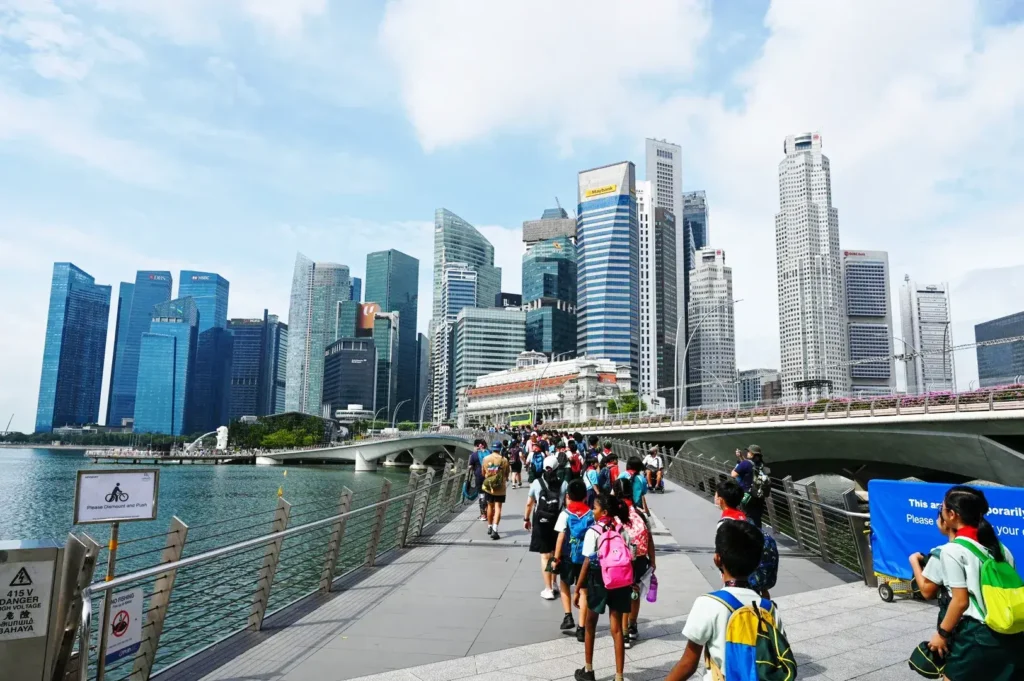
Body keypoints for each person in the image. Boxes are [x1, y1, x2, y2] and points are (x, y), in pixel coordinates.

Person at [921, 485, 1023, 680]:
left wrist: (941, 635)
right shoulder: (1000, 548)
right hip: (1012, 633)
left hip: (976, 636)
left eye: (942, 508)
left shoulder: (952, 550)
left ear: (952, 514)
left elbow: (960, 601)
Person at [665, 520, 785, 681]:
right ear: (757, 564)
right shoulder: (769, 609)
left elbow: (688, 664)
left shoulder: (708, 603)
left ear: (717, 559)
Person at [573, 492, 633, 681]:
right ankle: (619, 676)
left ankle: (588, 670)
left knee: (590, 624)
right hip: (621, 581)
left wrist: (578, 588)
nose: (593, 511)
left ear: (604, 511)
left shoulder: (594, 531)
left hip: (599, 581)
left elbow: (586, 562)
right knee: (616, 630)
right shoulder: (622, 529)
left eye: (595, 508)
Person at [613, 477, 656, 649]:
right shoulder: (639, 513)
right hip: (639, 560)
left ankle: (623, 634)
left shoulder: (614, 513)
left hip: (620, 561)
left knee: (622, 595)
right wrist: (653, 560)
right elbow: (650, 538)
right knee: (635, 592)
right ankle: (632, 625)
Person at [552, 479, 593, 640]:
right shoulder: (590, 514)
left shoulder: (565, 514)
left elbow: (561, 536)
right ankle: (582, 628)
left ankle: (568, 615)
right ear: (585, 496)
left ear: (568, 496)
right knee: (584, 591)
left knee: (564, 584)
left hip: (568, 557)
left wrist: (556, 558)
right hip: (585, 559)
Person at [525, 466, 568, 600]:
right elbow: (567, 504)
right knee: (556, 553)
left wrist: (526, 519)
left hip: (542, 522)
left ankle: (548, 589)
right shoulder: (564, 483)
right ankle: (554, 583)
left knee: (545, 556)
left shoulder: (537, 483)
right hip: (558, 521)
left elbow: (529, 504)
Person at [731, 444, 766, 528]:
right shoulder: (761, 464)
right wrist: (741, 457)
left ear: (752, 454)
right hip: (759, 494)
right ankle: (759, 534)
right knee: (757, 516)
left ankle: (750, 535)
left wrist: (738, 464)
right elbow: (749, 466)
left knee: (747, 516)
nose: (747, 453)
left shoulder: (745, 463)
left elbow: (733, 474)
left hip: (747, 495)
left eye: (749, 452)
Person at [481, 442, 511, 540]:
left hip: (489, 487)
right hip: (500, 487)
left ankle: (489, 526)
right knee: (498, 508)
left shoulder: (486, 459)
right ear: (500, 448)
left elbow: (483, 472)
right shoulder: (504, 460)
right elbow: (507, 474)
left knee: (489, 505)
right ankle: (495, 529)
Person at [469, 439, 489, 521]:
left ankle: (483, 515)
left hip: (479, 477)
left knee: (481, 495)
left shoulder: (474, 455)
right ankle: (490, 512)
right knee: (489, 494)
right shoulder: (490, 453)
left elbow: (470, 466)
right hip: (490, 477)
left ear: (478, 446)